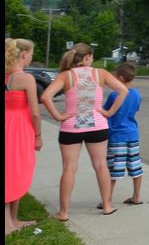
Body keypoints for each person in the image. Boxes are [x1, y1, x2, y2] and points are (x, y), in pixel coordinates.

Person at [40, 43, 130, 220]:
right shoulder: (101, 74)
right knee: (101, 166)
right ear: (87, 57)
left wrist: (58, 116)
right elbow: (123, 90)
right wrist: (109, 113)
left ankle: (64, 212)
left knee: (69, 169)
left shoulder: (66, 75)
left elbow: (45, 97)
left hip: (71, 127)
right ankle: (106, 205)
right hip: (97, 126)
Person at [5, 38, 45, 235]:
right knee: (16, 170)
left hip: (7, 124)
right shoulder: (26, 78)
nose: (31, 58)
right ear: (23, 54)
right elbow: (36, 113)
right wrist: (38, 135)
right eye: (30, 54)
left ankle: (14, 219)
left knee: (12, 169)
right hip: (20, 128)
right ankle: (7, 224)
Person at [102, 62, 144, 206]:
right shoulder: (137, 94)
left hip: (116, 136)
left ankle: (107, 200)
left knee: (113, 169)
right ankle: (136, 196)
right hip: (132, 135)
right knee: (135, 166)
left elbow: (105, 112)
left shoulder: (115, 95)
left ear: (120, 78)